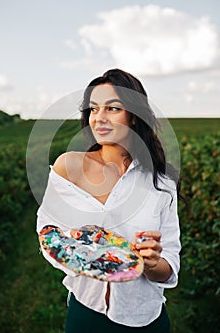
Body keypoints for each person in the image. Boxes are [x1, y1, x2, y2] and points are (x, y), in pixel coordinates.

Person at [37, 69, 181, 332]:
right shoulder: (69, 166)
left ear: (134, 116)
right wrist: (78, 252)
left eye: (112, 109)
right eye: (93, 109)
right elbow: (47, 228)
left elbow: (169, 265)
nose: (99, 118)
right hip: (86, 314)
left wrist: (151, 264)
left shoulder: (162, 182)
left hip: (145, 318)